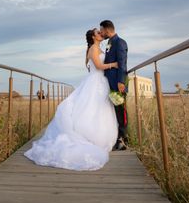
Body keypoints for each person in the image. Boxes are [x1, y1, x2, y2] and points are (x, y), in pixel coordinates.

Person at [24, 28, 119, 170]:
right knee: (91, 108)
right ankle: (90, 136)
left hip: (100, 82)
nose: (101, 34)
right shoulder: (93, 49)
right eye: (98, 33)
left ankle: (101, 136)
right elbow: (99, 66)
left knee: (100, 109)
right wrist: (114, 65)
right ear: (93, 37)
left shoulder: (99, 48)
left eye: (100, 32)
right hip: (95, 81)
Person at [100, 19, 129, 150]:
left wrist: (121, 81)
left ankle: (123, 140)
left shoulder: (120, 42)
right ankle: (117, 137)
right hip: (109, 82)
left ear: (107, 29)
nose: (101, 32)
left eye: (101, 30)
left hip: (118, 83)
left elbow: (122, 63)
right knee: (114, 111)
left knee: (120, 111)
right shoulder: (109, 43)